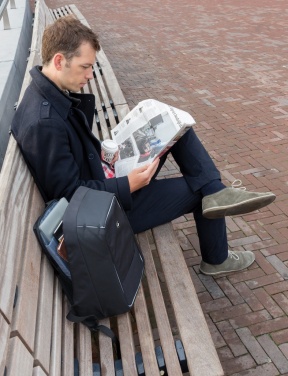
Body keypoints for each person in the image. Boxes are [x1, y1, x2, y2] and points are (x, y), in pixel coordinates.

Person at [11, 16, 276, 276]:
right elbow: (67, 195)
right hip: (104, 214)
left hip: (104, 181)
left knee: (178, 132)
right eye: (85, 67)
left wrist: (108, 157)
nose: (90, 75)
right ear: (59, 60)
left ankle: (216, 190)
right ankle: (216, 256)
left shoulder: (46, 95)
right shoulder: (44, 124)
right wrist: (128, 185)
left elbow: (69, 162)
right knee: (200, 191)